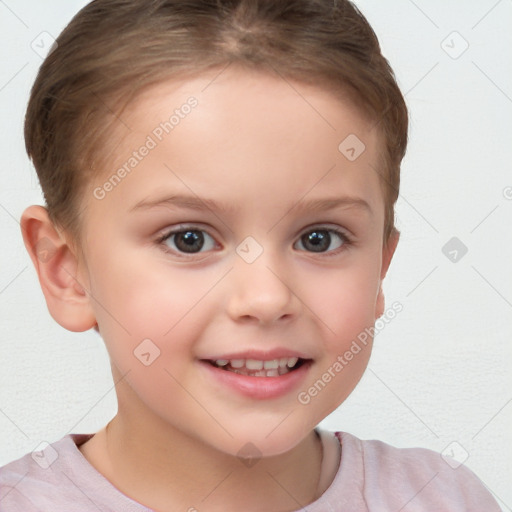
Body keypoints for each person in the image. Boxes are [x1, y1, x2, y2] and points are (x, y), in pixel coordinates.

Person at [0, 0, 501, 510]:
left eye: (318, 238)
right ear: (66, 270)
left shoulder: (444, 499)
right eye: (188, 238)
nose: (265, 298)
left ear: (380, 270)